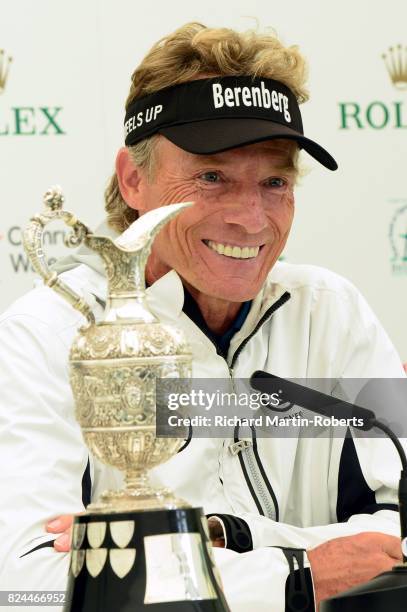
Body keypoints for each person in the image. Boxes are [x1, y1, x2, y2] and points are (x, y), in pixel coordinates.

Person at [0, 22, 406, 612]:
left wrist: (222, 539)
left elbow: (395, 544)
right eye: (212, 177)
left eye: (275, 181)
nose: (251, 217)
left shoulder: (332, 310)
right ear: (133, 178)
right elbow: (25, 586)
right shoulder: (46, 333)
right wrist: (296, 578)